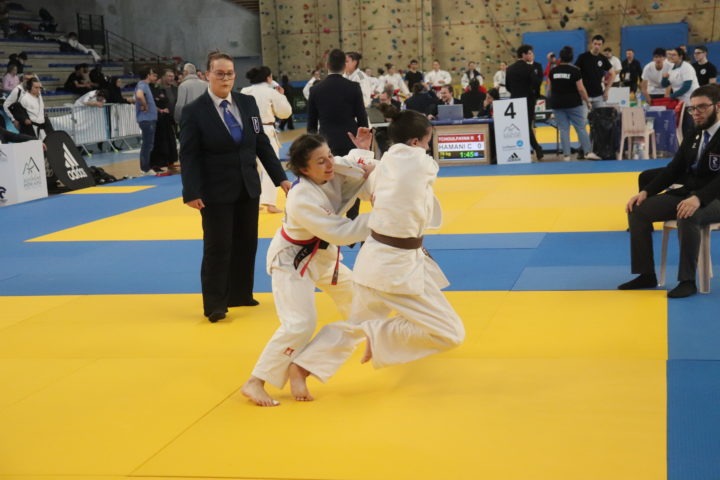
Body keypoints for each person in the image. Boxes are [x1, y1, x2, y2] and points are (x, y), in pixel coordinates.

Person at [287, 109, 465, 401]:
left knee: (355, 326)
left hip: (379, 260)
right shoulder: (418, 162)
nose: (427, 147)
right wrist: (369, 162)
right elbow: (427, 166)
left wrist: (367, 160)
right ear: (416, 142)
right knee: (450, 332)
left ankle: (301, 367)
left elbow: (369, 180)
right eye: (426, 141)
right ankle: (378, 334)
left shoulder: (385, 166)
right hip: (394, 268)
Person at [241, 129, 377, 406]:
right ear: (304, 170)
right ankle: (255, 381)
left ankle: (303, 368)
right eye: (321, 161)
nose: (329, 164)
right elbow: (340, 232)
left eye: (330, 156)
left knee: (364, 307)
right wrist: (383, 219)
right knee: (300, 324)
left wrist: (363, 150)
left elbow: (359, 170)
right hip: (292, 261)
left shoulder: (334, 169)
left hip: (323, 257)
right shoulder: (301, 196)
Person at [180, 51, 292, 322]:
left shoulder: (247, 103)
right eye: (219, 73)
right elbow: (189, 155)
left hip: (247, 186)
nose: (225, 78)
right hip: (214, 190)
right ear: (207, 75)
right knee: (218, 246)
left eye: (229, 73)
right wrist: (191, 191)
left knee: (246, 243)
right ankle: (215, 304)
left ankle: (241, 294)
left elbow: (261, 144)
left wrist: (281, 179)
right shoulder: (194, 111)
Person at [620, 84, 720, 298]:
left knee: (687, 214)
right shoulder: (694, 134)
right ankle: (646, 274)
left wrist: (699, 198)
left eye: (702, 107)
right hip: (690, 193)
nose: (696, 112)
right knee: (637, 210)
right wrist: (646, 192)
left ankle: (687, 280)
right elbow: (674, 169)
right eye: (693, 108)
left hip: (715, 198)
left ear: (718, 107)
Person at [241, 65, 293, 214]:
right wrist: (281, 95)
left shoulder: (244, 91)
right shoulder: (271, 92)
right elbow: (285, 113)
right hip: (266, 131)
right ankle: (270, 203)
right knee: (270, 165)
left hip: (247, 131)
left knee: (251, 167)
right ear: (269, 78)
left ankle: (253, 200)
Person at [307, 49, 369, 157]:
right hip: (351, 141)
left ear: (327, 65)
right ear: (344, 66)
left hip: (325, 142)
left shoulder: (315, 89)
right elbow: (362, 119)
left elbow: (311, 124)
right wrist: (363, 143)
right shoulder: (354, 87)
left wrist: (314, 147)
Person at [547, 46, 595, 161]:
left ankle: (566, 155)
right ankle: (588, 152)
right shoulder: (575, 71)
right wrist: (587, 101)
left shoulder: (553, 71)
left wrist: (551, 101)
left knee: (563, 129)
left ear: (560, 57)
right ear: (571, 58)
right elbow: (581, 89)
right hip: (573, 104)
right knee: (581, 128)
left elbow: (549, 89)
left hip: (557, 104)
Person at [505, 44, 544, 160]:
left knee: (518, 126)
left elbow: (507, 86)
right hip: (528, 100)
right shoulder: (529, 68)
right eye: (529, 53)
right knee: (526, 125)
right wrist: (532, 91)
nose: (530, 56)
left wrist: (516, 92)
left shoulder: (509, 69)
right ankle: (537, 148)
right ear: (523, 55)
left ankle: (531, 148)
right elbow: (537, 83)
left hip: (514, 101)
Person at [133, 67, 161, 175]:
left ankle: (145, 167)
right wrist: (145, 105)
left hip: (149, 118)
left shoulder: (145, 85)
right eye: (152, 73)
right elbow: (139, 95)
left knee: (148, 144)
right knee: (147, 145)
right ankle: (145, 168)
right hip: (147, 119)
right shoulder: (142, 85)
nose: (153, 75)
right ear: (148, 75)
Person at [575, 35, 615, 108]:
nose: (596, 46)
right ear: (592, 44)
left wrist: (606, 91)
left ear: (602, 45)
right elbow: (574, 73)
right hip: (584, 95)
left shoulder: (603, 58)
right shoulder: (583, 57)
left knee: (600, 115)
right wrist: (578, 89)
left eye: (599, 44)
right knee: (584, 116)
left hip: (598, 95)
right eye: (595, 44)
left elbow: (613, 74)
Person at [149, 73, 178, 171]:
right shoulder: (150, 89)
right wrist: (160, 110)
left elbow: (167, 101)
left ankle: (170, 161)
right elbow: (150, 103)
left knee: (171, 140)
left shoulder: (173, 89)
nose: (171, 78)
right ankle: (155, 164)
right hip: (157, 119)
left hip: (169, 118)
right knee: (159, 141)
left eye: (172, 76)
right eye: (169, 76)